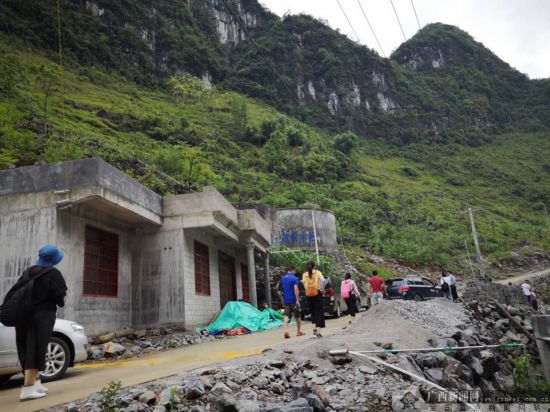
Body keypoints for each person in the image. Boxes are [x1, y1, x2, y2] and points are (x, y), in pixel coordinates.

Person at [7, 245, 67, 401]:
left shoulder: (29, 271)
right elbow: (60, 298)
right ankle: (27, 390)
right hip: (41, 317)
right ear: (54, 259)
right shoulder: (54, 274)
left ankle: (36, 384)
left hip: (22, 316)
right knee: (36, 350)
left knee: (26, 349)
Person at [302, 261, 325, 337]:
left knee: (313, 312)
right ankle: (318, 331)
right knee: (319, 312)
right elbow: (323, 280)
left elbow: (304, 284)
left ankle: (314, 329)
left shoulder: (304, 274)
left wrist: (307, 290)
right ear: (314, 266)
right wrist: (321, 289)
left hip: (309, 295)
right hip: (317, 294)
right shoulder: (318, 272)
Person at [280, 266, 304, 339]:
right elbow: (296, 289)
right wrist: (297, 300)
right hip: (293, 299)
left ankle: (286, 330)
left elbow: (282, 289)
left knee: (286, 315)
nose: (295, 272)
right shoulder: (294, 278)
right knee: (298, 315)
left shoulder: (283, 278)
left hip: (286, 299)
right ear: (292, 270)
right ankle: (298, 332)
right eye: (295, 271)